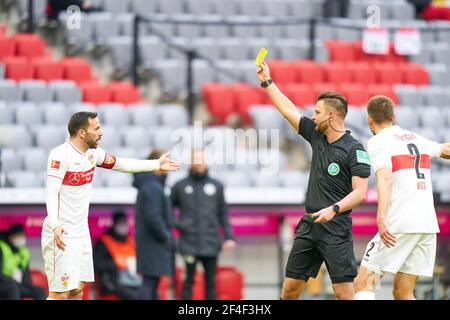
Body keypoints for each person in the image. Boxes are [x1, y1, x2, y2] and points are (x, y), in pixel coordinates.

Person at [256, 61, 371, 300]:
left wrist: (334, 209)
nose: (312, 116)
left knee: (343, 293)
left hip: (336, 228)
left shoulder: (355, 149)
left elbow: (360, 193)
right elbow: (288, 110)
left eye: (317, 112)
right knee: (289, 291)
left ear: (330, 116)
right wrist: (267, 82)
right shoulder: (316, 135)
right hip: (310, 225)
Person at [42, 111, 179, 300]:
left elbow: (122, 164)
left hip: (81, 232)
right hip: (61, 233)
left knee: (77, 289)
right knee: (59, 293)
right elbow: (51, 192)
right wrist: (56, 224)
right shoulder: (60, 155)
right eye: (96, 128)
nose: (101, 132)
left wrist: (155, 164)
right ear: (82, 132)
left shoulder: (93, 155)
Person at [354, 96, 450, 300]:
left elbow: (385, 178)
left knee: (363, 282)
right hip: (426, 225)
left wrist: (381, 218)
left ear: (369, 120)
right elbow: (445, 150)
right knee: (403, 293)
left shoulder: (378, 141)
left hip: (400, 223)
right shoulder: (414, 137)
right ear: (393, 116)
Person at [171, 149, 236, 300]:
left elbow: (223, 214)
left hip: (211, 243)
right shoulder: (180, 186)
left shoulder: (216, 186)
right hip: (189, 244)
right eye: (197, 159)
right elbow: (167, 210)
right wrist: (180, 224)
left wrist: (229, 237)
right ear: (191, 162)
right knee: (188, 282)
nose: (200, 162)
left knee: (210, 283)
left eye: (202, 159)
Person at [133, 149, 174, 300]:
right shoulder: (152, 187)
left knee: (152, 283)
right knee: (149, 282)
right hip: (153, 244)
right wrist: (166, 237)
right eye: (167, 161)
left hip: (150, 244)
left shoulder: (151, 185)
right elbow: (153, 217)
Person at [93, 210, 140, 300]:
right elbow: (96, 264)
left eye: (124, 223)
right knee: (136, 296)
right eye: (120, 223)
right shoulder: (104, 242)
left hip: (133, 279)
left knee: (149, 293)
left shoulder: (131, 240)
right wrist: (114, 264)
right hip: (113, 281)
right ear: (114, 224)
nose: (123, 226)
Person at [0, 224, 46, 300]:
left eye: (22, 235)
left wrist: (28, 285)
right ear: (11, 237)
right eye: (18, 235)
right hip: (3, 284)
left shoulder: (24, 252)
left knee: (39, 291)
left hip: (17, 284)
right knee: (13, 288)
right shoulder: (2, 248)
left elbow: (26, 275)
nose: (21, 238)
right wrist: (11, 280)